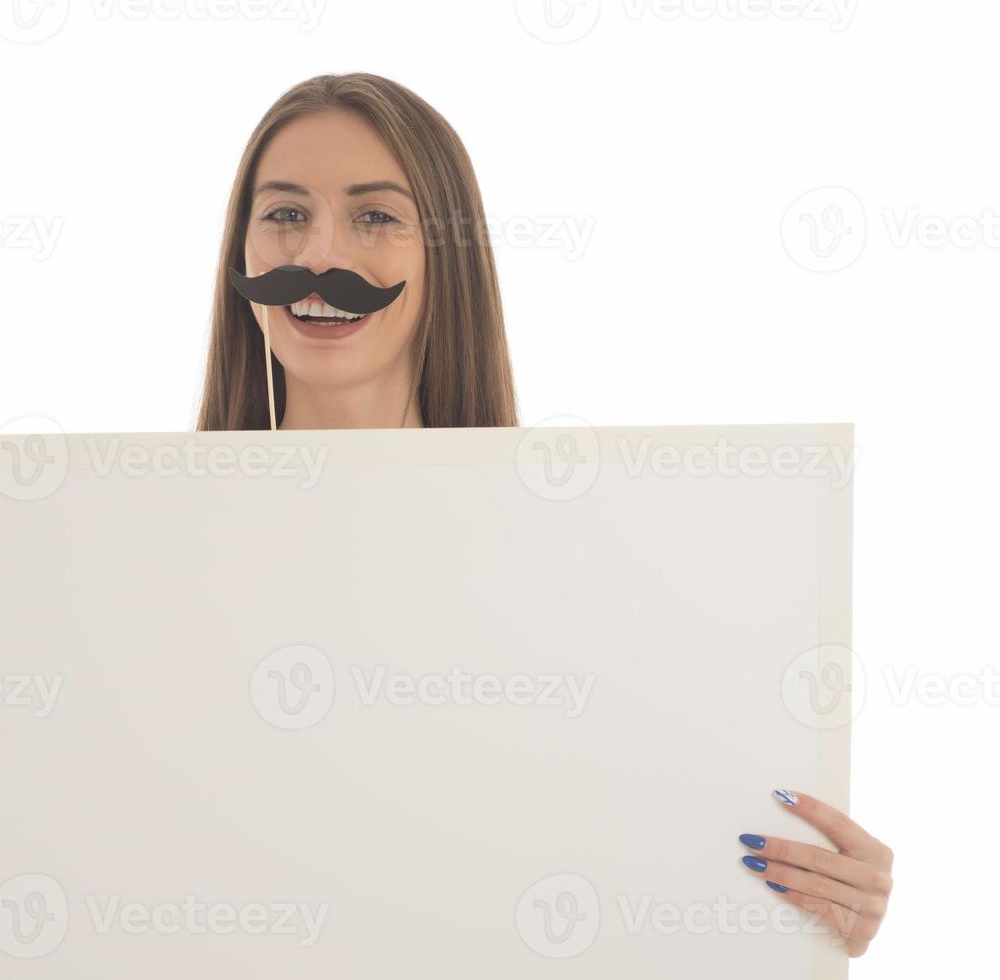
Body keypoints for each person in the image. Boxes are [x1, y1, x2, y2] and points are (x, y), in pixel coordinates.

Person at [198, 71, 893, 957]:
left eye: (376, 216)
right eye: (286, 213)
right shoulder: (131, 561)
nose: (321, 251)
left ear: (446, 254)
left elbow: (626, 840)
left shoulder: (602, 560)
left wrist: (802, 915)